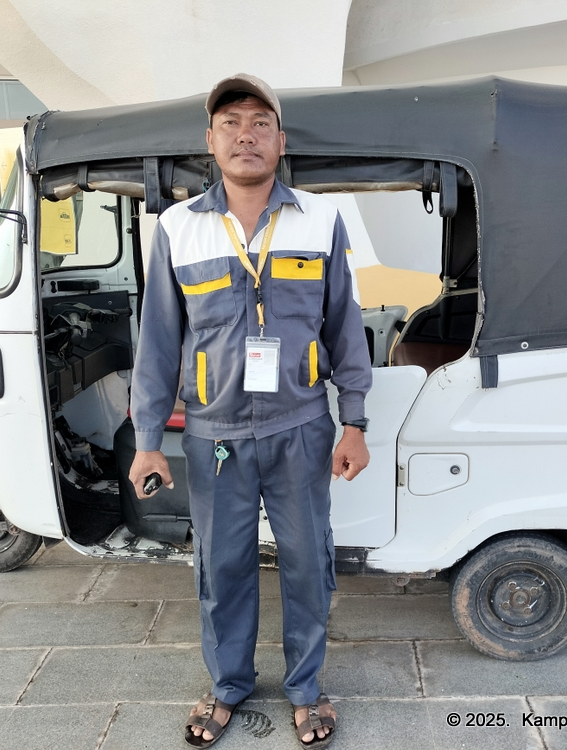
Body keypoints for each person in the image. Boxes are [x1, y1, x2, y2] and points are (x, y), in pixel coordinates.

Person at [128, 73, 372, 748]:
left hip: (302, 429)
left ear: (280, 141)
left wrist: (354, 420)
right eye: (231, 123)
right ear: (210, 141)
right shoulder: (178, 227)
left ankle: (306, 689)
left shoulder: (320, 219)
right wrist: (149, 437)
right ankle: (229, 683)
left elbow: (345, 328)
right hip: (216, 438)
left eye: (260, 123)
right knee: (222, 564)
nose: (246, 134)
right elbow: (158, 342)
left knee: (307, 562)